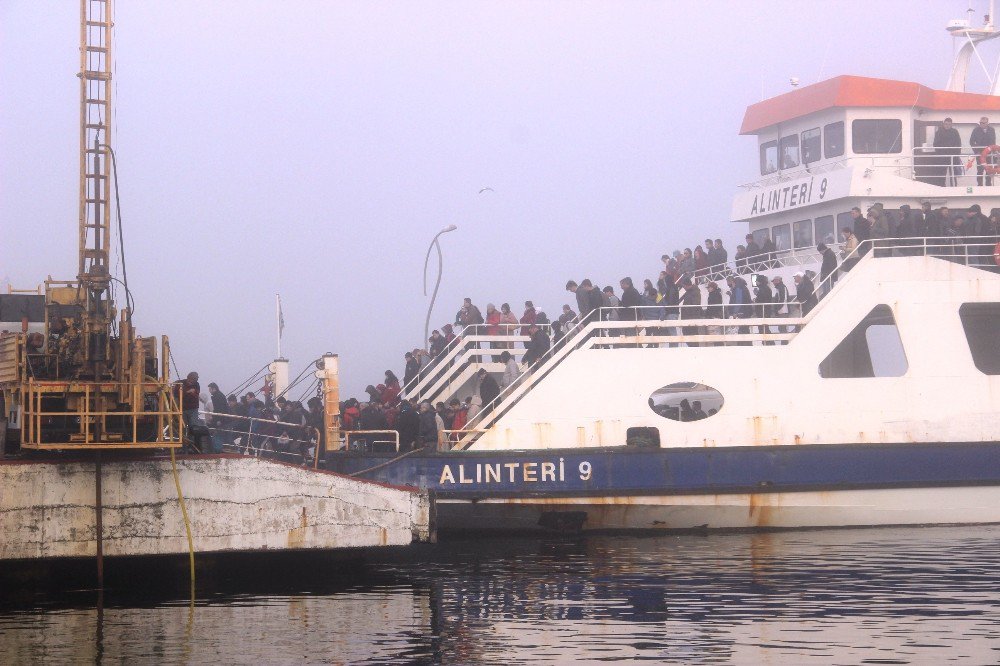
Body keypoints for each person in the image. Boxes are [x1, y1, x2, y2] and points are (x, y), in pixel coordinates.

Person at [934, 117, 962, 186]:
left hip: (953, 157)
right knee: (942, 174)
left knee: (953, 174)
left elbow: (958, 143)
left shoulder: (955, 132)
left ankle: (954, 187)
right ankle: (942, 187)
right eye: (946, 124)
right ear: (943, 124)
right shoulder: (939, 132)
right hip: (942, 157)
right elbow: (935, 144)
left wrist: (957, 155)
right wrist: (940, 154)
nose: (947, 125)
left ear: (951, 124)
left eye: (949, 124)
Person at [725, 275, 752, 346]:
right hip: (746, 311)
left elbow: (739, 300)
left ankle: (743, 346)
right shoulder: (741, 287)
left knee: (742, 330)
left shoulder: (738, 288)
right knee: (745, 329)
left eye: (728, 283)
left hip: (742, 312)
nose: (728, 285)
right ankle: (748, 345)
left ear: (731, 281)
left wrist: (735, 312)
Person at [971, 117, 997, 185]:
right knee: (980, 170)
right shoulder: (976, 130)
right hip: (980, 154)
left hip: (989, 154)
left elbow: (993, 141)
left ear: (987, 123)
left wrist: (994, 151)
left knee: (989, 170)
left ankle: (988, 184)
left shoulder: (992, 130)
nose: (981, 124)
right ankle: (980, 185)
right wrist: (976, 151)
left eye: (983, 123)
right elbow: (971, 141)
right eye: (980, 123)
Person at [678, 277, 702, 347]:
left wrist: (688, 310)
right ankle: (693, 348)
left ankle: (694, 348)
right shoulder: (689, 291)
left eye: (684, 286)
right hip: (687, 317)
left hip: (691, 317)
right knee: (686, 333)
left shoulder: (695, 292)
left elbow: (696, 304)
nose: (683, 288)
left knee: (692, 333)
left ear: (686, 285)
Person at [704, 281, 724, 345]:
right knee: (716, 334)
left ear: (712, 288)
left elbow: (714, 306)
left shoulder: (714, 295)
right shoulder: (715, 294)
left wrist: (710, 314)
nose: (707, 289)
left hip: (714, 316)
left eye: (708, 287)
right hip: (715, 316)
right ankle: (718, 347)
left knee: (715, 334)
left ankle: (718, 347)